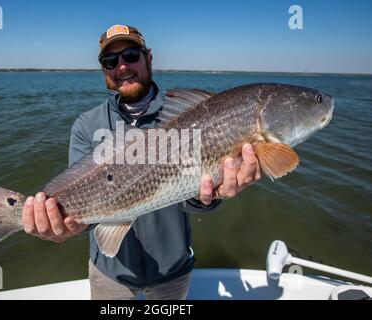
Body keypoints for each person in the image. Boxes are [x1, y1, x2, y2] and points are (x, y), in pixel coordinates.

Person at [22, 25, 260, 300]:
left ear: (148, 58)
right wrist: (63, 225)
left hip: (172, 271)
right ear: (104, 71)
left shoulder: (188, 114)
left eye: (131, 55)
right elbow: (82, 208)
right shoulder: (87, 126)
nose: (122, 66)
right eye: (110, 61)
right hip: (110, 275)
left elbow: (192, 195)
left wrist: (207, 196)